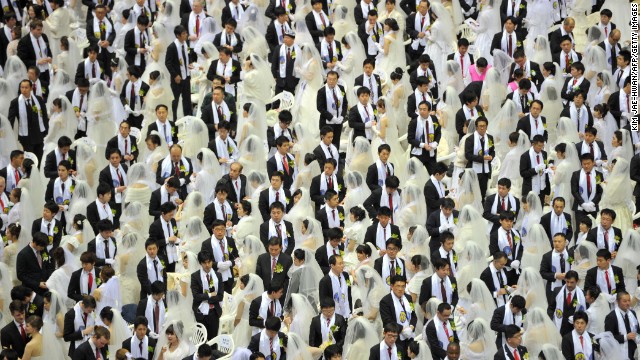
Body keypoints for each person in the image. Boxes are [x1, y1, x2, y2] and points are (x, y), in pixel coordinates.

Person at [7, 79, 49, 161]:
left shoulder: (38, 100)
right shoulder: (15, 102)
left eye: (26, 87)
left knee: (39, 158)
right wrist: (9, 133)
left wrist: (45, 130)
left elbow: (44, 115)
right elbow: (11, 119)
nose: (24, 89)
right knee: (29, 160)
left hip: (38, 134)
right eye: (22, 87)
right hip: (26, 136)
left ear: (30, 88)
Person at [190, 250, 223, 340]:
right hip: (201, 313)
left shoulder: (218, 275)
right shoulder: (195, 276)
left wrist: (205, 298)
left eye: (209, 262)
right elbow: (196, 296)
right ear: (201, 263)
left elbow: (220, 296)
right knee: (202, 340)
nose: (207, 265)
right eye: (204, 263)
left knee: (213, 339)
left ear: (212, 261)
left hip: (214, 311)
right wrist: (209, 295)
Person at [166, 25, 193, 120]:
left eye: (186, 33)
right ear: (178, 35)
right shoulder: (172, 47)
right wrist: (175, 75)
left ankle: (188, 117)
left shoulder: (185, 44)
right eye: (183, 34)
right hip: (177, 78)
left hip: (186, 76)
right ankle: (173, 119)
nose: (186, 35)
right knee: (175, 100)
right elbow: (168, 63)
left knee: (187, 99)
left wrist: (189, 63)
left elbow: (188, 56)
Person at [604, 291, 637, 360]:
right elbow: (608, 338)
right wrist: (625, 337)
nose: (628, 303)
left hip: (633, 350)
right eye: (624, 301)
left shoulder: (632, 313)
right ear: (617, 302)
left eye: (629, 300)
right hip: (619, 352)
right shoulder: (611, 317)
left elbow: (638, 330)